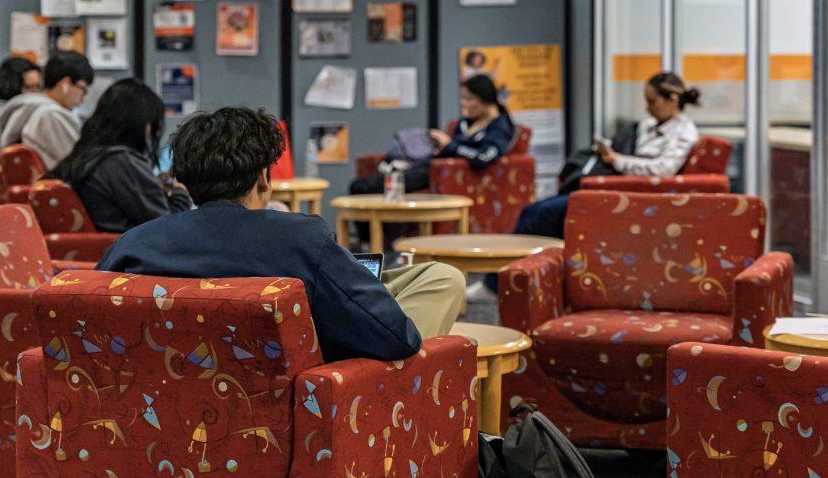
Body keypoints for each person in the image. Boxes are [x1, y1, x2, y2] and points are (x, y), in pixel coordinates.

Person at [97, 107, 465, 363]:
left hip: (168, 406)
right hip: (312, 395)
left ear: (185, 180)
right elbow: (397, 339)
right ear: (263, 178)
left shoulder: (134, 244)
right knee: (444, 279)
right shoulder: (300, 238)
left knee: (427, 277)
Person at [512, 71, 701, 242]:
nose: (648, 109)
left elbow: (664, 169)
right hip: (612, 187)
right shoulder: (649, 125)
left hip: (625, 193)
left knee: (542, 214)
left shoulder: (684, 133)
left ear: (673, 100)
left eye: (652, 102)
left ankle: (503, 278)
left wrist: (617, 160)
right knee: (532, 210)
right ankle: (506, 277)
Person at [47, 78, 192, 233]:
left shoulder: (87, 155)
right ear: (142, 124)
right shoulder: (122, 162)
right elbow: (168, 230)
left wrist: (154, 185)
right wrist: (180, 192)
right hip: (130, 251)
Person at [349, 74, 516, 198]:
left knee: (362, 187)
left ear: (485, 99)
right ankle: (370, 241)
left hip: (440, 174)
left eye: (469, 99)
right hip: (427, 166)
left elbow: (483, 157)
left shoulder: (500, 127)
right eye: (462, 99)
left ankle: (370, 243)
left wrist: (449, 145)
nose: (464, 104)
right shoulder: (466, 123)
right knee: (363, 183)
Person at [0, 51, 93, 169]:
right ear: (65, 83)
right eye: (82, 88)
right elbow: (82, 164)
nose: (83, 97)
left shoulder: (28, 110)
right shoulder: (51, 116)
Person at [0, 57, 42, 158]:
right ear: (11, 86)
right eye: (29, 88)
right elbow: (8, 155)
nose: (36, 94)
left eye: (38, 87)